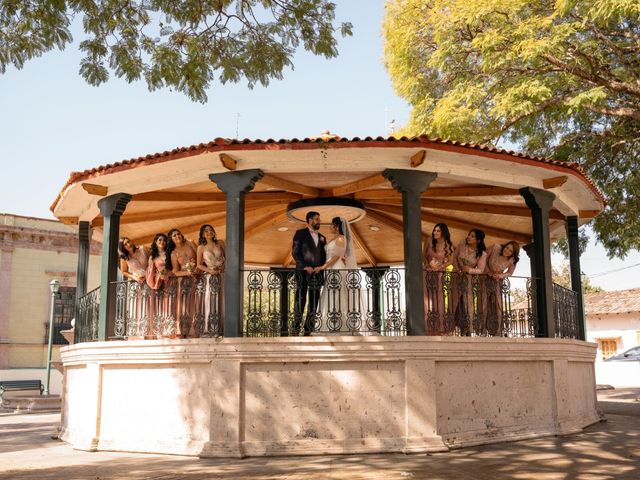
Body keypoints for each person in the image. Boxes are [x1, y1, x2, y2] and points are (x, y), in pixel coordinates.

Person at [315, 217, 367, 334]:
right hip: (330, 268)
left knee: (337, 294)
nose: (329, 227)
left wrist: (323, 267)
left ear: (337, 226)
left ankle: (339, 324)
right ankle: (330, 323)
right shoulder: (334, 238)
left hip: (336, 267)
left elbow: (337, 256)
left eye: (331, 225)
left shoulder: (341, 239)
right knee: (330, 294)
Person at [291, 211, 326, 336]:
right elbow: (295, 252)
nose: (319, 221)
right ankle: (295, 328)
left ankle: (308, 329)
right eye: (317, 219)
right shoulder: (300, 234)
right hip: (303, 273)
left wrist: (321, 268)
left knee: (314, 302)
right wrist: (305, 266)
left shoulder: (322, 237)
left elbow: (324, 256)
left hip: (317, 274)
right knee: (300, 300)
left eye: (319, 219)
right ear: (310, 220)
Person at [452, 229, 488, 335]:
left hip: (469, 279)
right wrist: (457, 269)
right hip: (456, 276)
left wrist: (469, 270)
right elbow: (454, 257)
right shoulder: (462, 244)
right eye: (469, 235)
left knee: (468, 303)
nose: (468, 237)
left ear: (478, 240)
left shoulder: (482, 254)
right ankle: (449, 328)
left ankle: (469, 328)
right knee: (453, 302)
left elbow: (481, 270)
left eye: (472, 236)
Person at [483, 241, 520, 336]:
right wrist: (487, 271)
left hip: (497, 281)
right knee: (483, 303)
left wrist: (500, 276)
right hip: (484, 277)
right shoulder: (495, 247)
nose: (507, 251)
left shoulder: (513, 260)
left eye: (510, 251)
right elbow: (483, 257)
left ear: (513, 253)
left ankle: (498, 331)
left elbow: (510, 273)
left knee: (498, 305)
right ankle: (482, 329)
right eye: (507, 247)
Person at [423, 223, 455, 335]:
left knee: (438, 299)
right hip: (426, 273)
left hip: (439, 274)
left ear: (443, 232)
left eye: (438, 231)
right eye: (434, 230)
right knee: (426, 299)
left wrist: (440, 267)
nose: (435, 233)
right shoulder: (428, 240)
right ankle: (427, 328)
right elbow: (423, 255)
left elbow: (451, 261)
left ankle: (440, 328)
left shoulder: (448, 245)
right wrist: (427, 265)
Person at [166, 228, 198, 338]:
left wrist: (197, 270)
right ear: (171, 239)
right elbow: (175, 271)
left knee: (198, 302)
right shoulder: (173, 253)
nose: (178, 236)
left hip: (198, 276)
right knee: (188, 305)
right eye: (174, 235)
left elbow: (200, 259)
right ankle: (187, 330)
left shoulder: (190, 243)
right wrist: (187, 273)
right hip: (185, 281)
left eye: (178, 234)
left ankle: (199, 328)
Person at [118, 237, 150, 338]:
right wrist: (135, 277)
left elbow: (153, 261)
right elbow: (123, 271)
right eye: (125, 244)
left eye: (128, 241)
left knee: (149, 305)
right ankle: (137, 333)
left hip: (149, 280)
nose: (128, 244)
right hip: (136, 284)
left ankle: (149, 332)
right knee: (137, 307)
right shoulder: (124, 258)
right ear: (123, 247)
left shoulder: (143, 249)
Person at [196, 224, 225, 336]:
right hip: (210, 276)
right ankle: (210, 329)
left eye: (210, 230)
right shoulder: (201, 247)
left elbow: (226, 258)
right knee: (210, 300)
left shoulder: (220, 243)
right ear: (203, 234)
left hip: (221, 274)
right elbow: (199, 265)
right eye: (206, 231)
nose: (209, 232)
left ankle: (222, 328)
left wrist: (222, 267)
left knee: (222, 299)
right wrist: (209, 270)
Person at [146, 233, 174, 338]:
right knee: (161, 308)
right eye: (160, 240)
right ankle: (162, 332)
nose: (162, 242)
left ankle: (171, 332)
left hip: (171, 282)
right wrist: (158, 277)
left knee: (171, 306)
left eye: (164, 240)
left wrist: (167, 274)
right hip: (159, 284)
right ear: (156, 242)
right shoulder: (152, 257)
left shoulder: (170, 254)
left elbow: (174, 269)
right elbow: (150, 272)